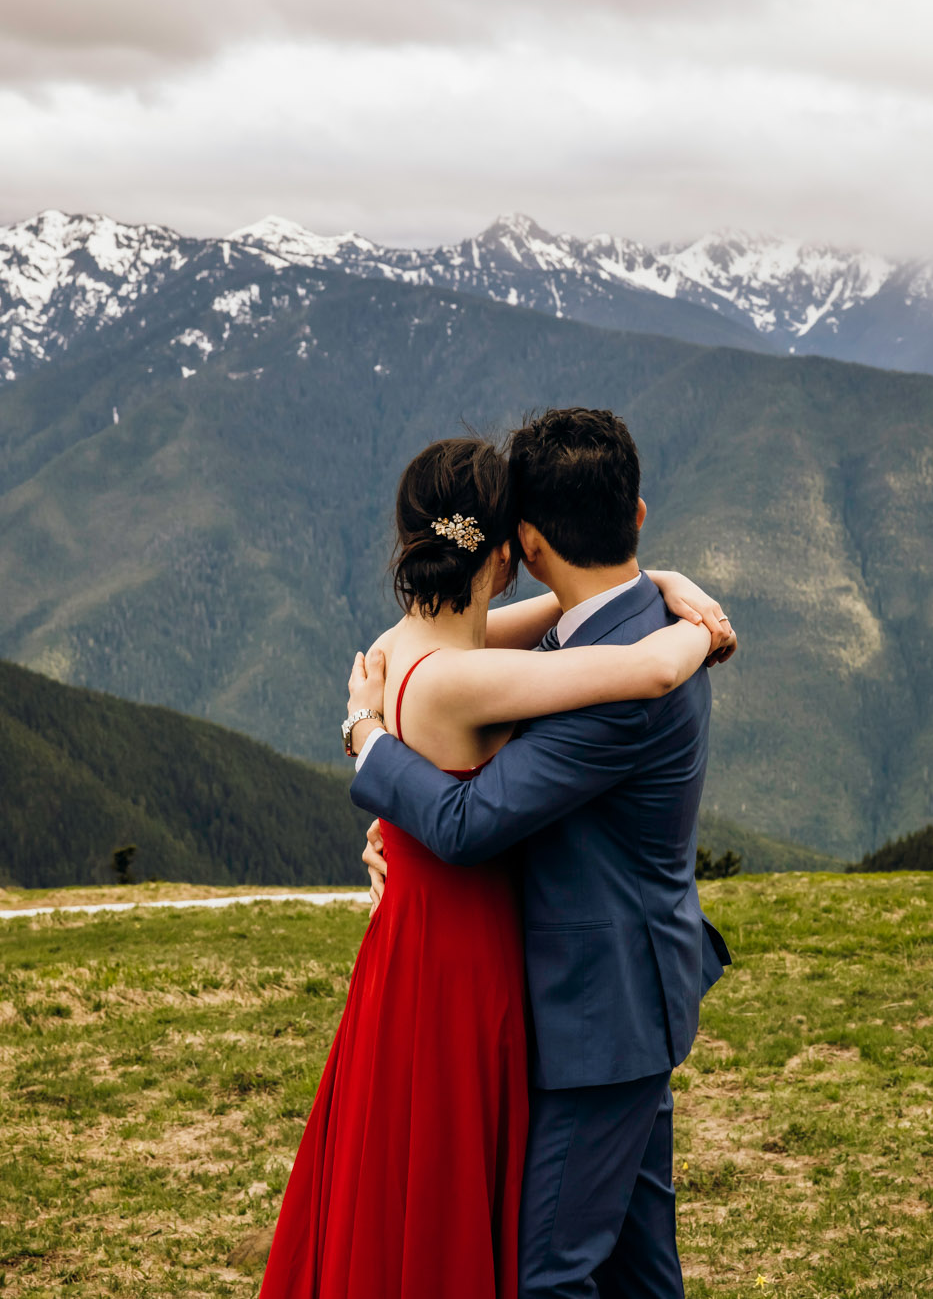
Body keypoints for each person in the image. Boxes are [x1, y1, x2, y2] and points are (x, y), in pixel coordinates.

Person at [258, 432, 736, 1299]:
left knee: (475, 1215)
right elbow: (467, 817)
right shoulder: (492, 670)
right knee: (566, 1254)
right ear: (513, 548)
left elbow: (553, 637)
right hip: (487, 968)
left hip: (540, 982)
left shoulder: (401, 649)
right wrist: (692, 623)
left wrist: (670, 585)